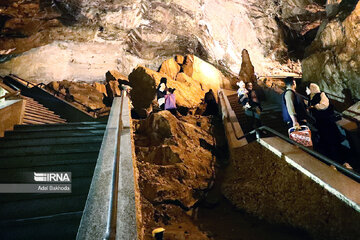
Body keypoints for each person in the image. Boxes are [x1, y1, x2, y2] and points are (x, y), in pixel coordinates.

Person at [307, 83, 352, 169]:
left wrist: (313, 106)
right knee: (330, 143)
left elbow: (322, 106)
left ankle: (337, 162)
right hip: (324, 124)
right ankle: (338, 162)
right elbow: (322, 107)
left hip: (323, 123)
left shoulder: (316, 96)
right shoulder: (315, 96)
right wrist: (314, 107)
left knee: (330, 142)